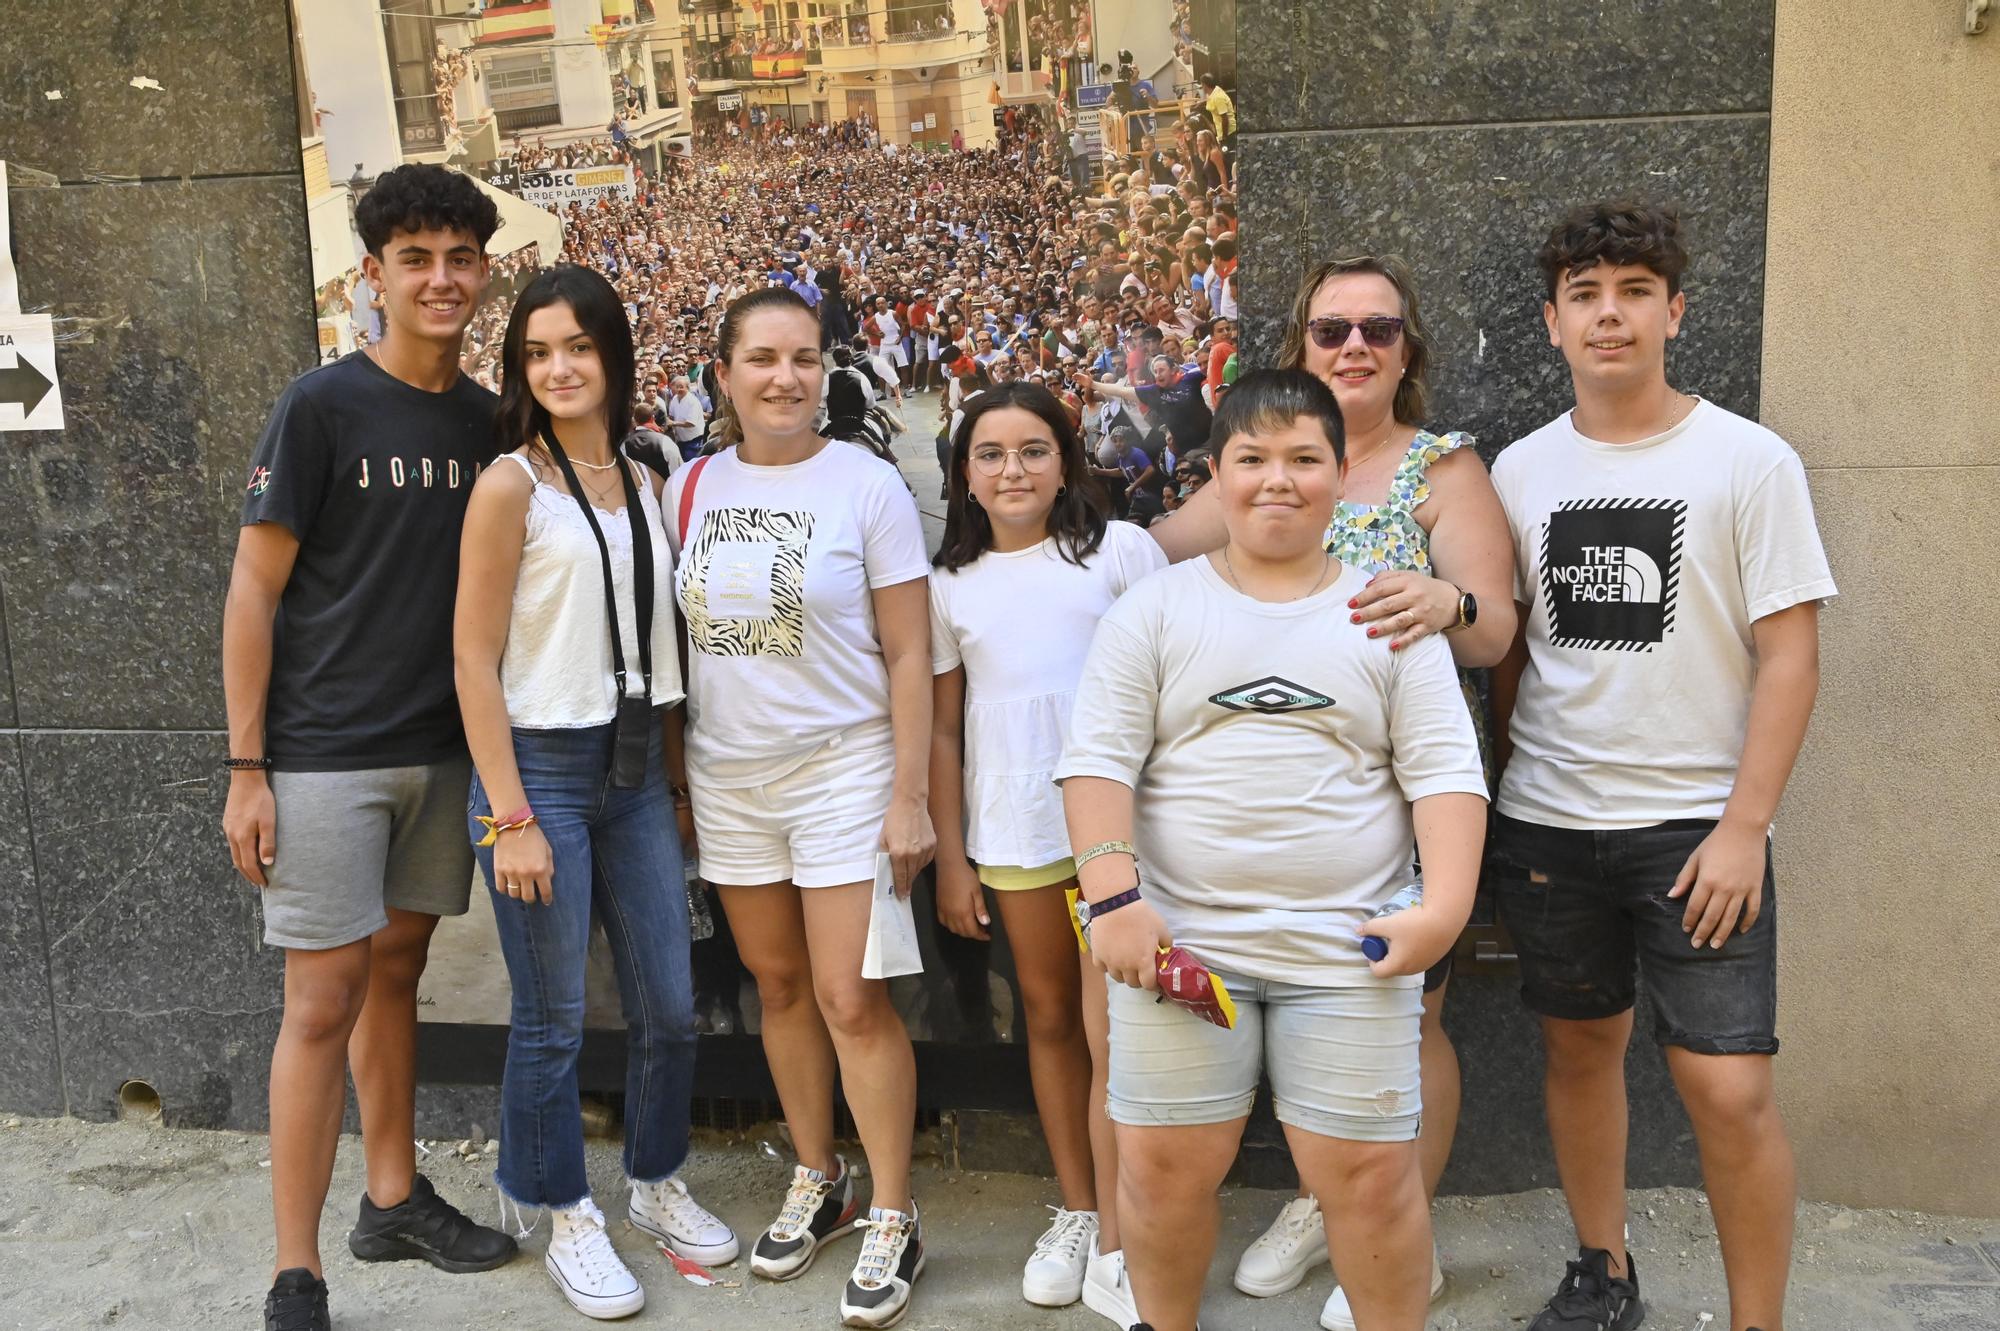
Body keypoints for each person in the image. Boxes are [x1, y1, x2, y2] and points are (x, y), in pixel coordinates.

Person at [1058, 370, 1490, 1331]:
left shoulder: (1389, 618)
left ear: (1342, 474)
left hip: (1346, 954)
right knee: (1165, 1171)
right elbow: (1094, 765)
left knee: (1372, 1179)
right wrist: (1115, 899)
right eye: (1252, 459)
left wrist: (1445, 907)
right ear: (1216, 474)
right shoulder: (1156, 610)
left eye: (1304, 459)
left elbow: (1446, 778)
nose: (1278, 480)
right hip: (1181, 949)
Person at [1490, 201, 1833, 1331]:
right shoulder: (1519, 470)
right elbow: (1508, 651)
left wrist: (1745, 824)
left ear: (1674, 310)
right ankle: (1603, 1268)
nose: (1608, 314)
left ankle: (1755, 1319)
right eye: (1583, 295)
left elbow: (1787, 653)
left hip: (1697, 830)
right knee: (1579, 1051)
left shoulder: (1747, 458)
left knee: (1726, 1088)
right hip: (1547, 822)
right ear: (1549, 322)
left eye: (1632, 290)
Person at [223, 164, 517, 1331]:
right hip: (322, 755)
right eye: (416, 258)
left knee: (398, 974)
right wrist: (248, 767)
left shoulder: (487, 416)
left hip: (438, 753)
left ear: (484, 273)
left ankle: (390, 1195)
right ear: (374, 275)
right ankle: (297, 1270)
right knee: (320, 1001)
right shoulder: (321, 406)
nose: (440, 278)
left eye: (459, 258)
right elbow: (253, 588)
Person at [1222, 254, 1518, 1329]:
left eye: (1377, 330)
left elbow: (1495, 628)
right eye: (1330, 328)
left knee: (1402, 1012)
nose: (1353, 346)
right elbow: (1154, 559)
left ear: (1408, 351)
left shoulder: (1440, 470)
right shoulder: (1269, 461)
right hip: (1273, 803)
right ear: (1295, 347)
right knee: (1302, 1004)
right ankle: (1321, 1199)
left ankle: (1398, 1233)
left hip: (1402, 795)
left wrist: (1445, 596)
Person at [452, 265, 735, 1320]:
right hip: (537, 768)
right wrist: (511, 813)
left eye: (577, 346)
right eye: (537, 352)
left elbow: (653, 639)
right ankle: (561, 1203)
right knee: (553, 1016)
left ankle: (653, 1180)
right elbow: (472, 660)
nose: (559, 368)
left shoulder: (649, 476)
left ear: (612, 355)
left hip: (629, 769)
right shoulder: (508, 485)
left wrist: (668, 778)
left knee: (669, 1005)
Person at [667, 288, 936, 1329]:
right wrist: (684, 779)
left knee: (848, 996)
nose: (785, 376)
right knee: (778, 984)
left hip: (842, 769)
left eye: (804, 357)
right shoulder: (687, 485)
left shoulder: (865, 483)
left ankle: (895, 1210)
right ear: (723, 371)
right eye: (762, 358)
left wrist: (907, 794)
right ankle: (818, 1175)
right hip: (728, 776)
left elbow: (910, 650)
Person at [928, 384, 1165, 1329]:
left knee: (1124, 1032)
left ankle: (1128, 1229)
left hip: (1121, 831)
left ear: (1067, 460)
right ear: (965, 475)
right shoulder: (949, 584)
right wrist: (952, 858)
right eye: (990, 454)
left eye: (1033, 450)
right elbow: (943, 733)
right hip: (1018, 827)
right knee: (1051, 1017)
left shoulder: (1120, 553)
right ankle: (1079, 1205)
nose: (1013, 469)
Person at [665, 374, 707, 458]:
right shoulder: (674, 399)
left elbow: (691, 423)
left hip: (694, 441)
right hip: (680, 440)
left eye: (681, 387)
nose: (679, 389)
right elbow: (671, 416)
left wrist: (673, 423)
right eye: (677, 387)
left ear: (687, 388)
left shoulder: (693, 401)